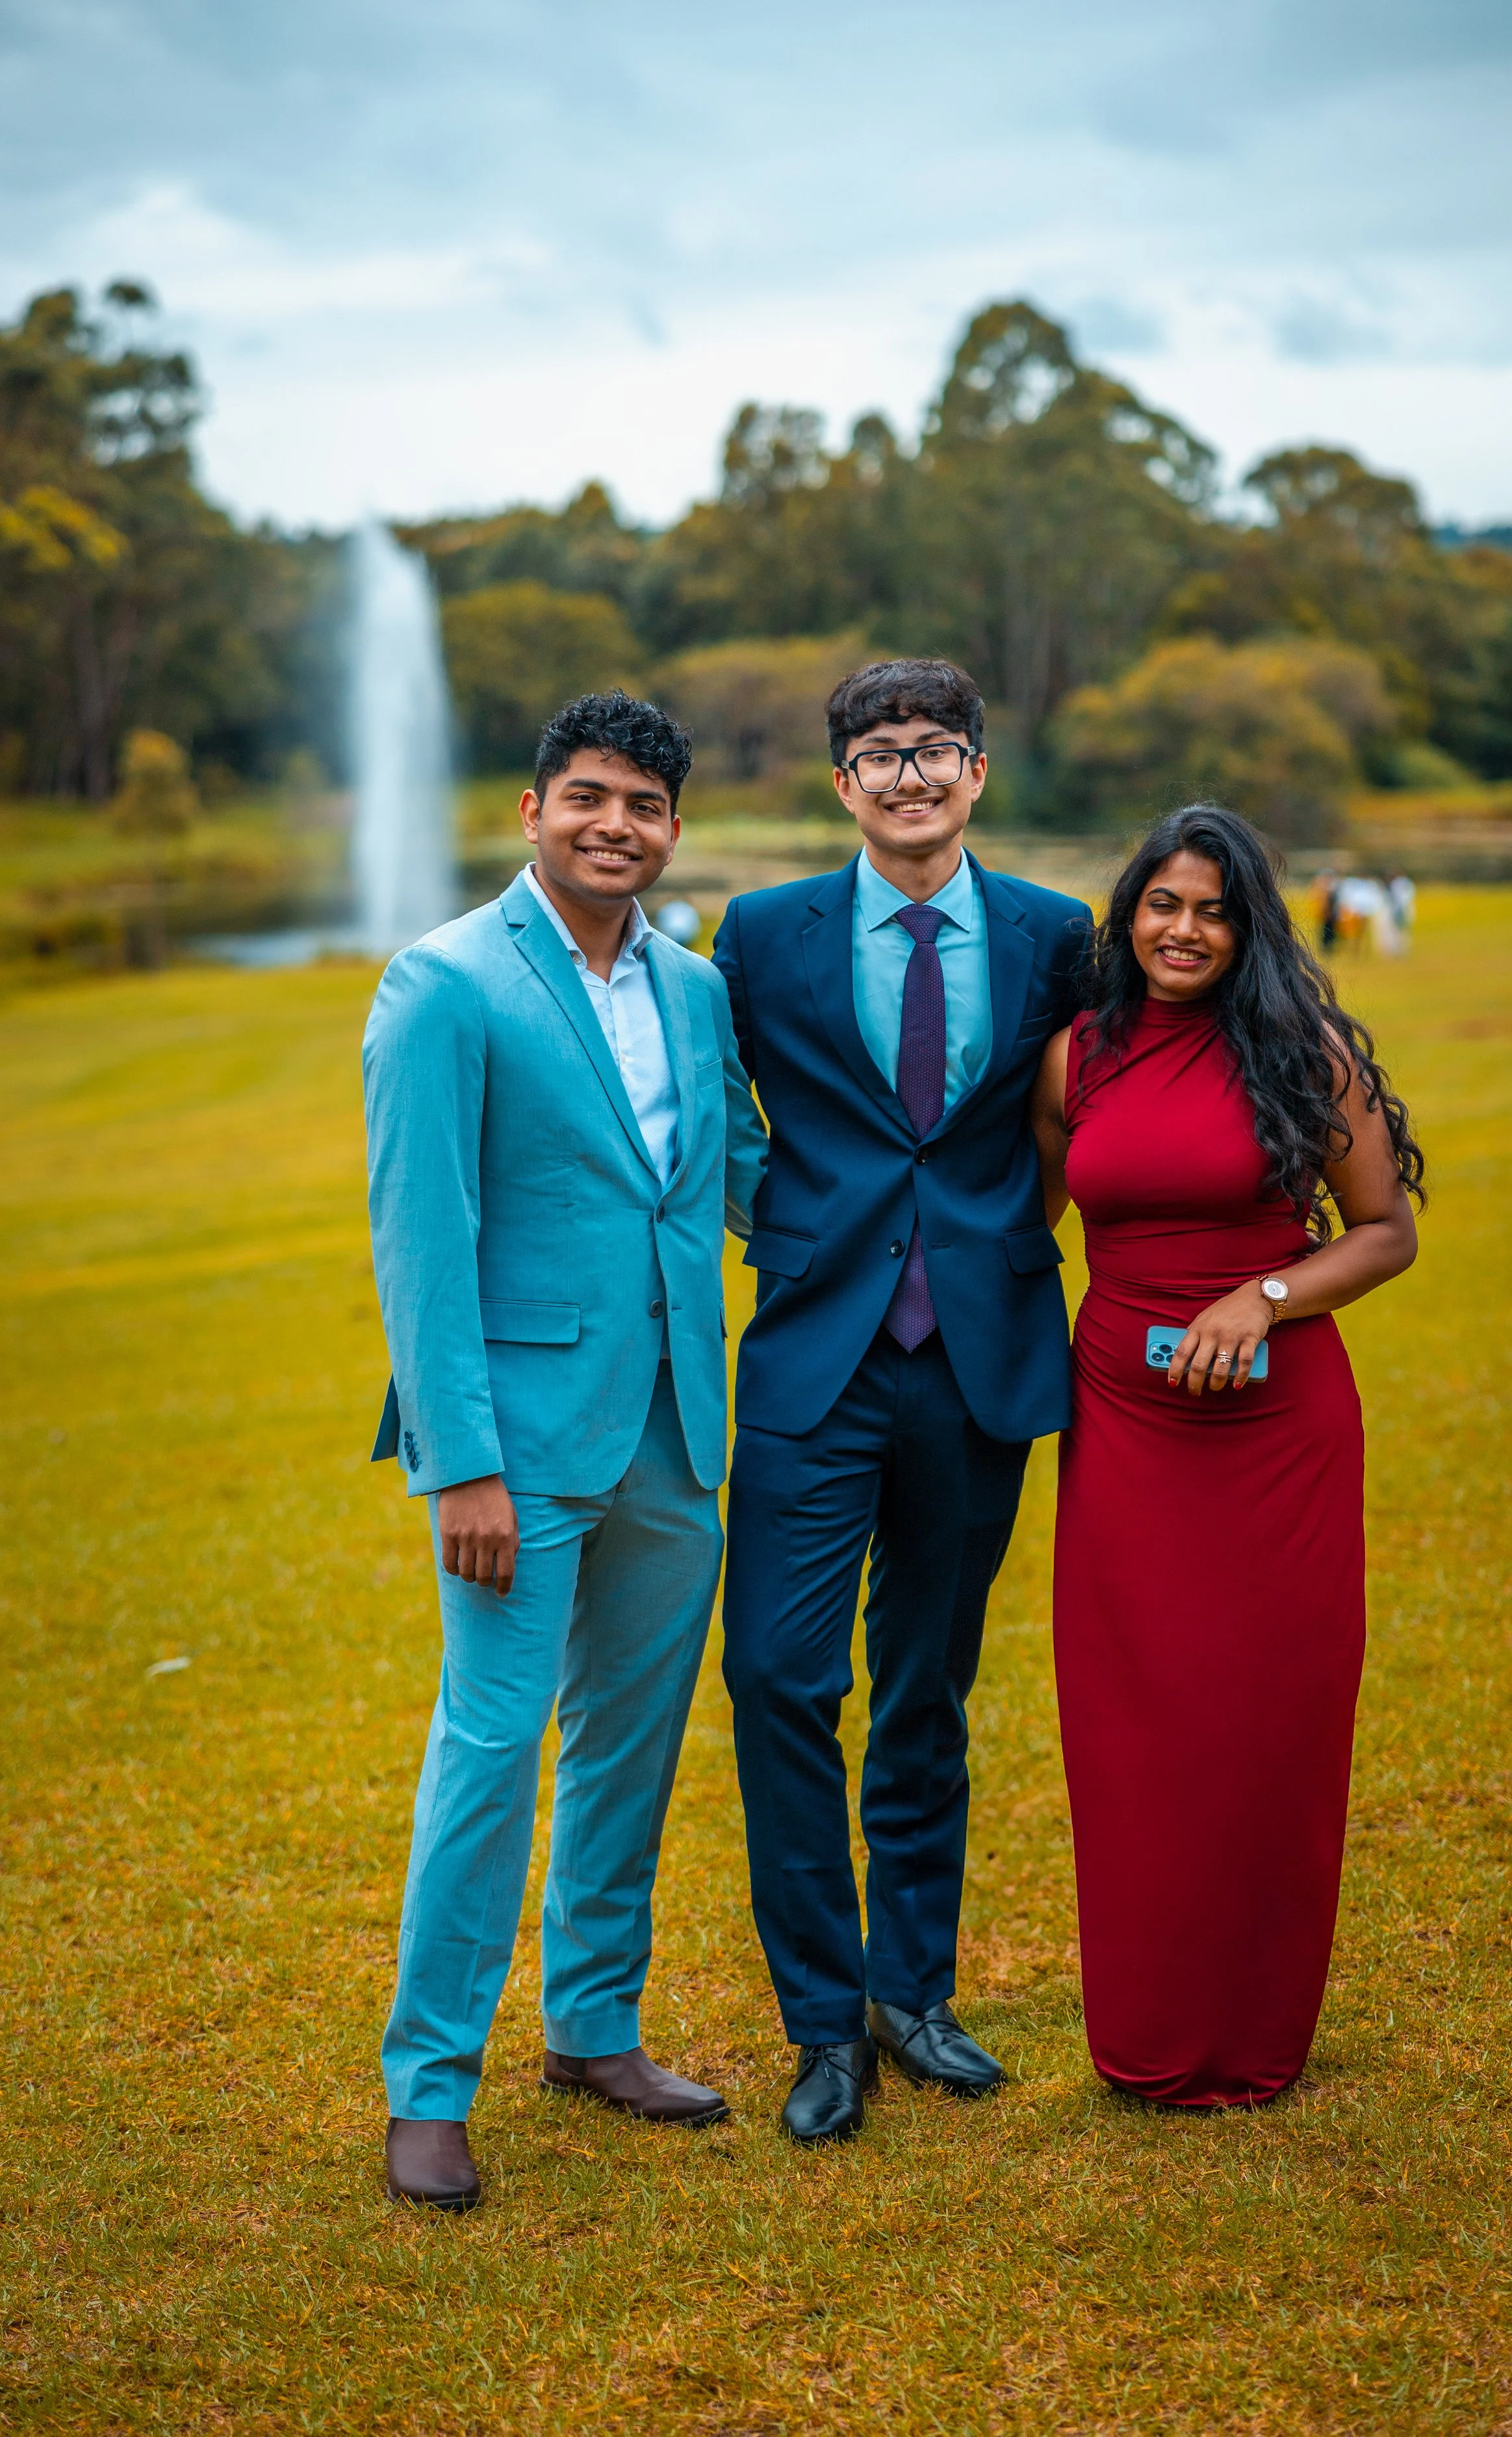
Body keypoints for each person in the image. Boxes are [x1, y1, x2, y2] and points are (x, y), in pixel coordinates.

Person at [363, 691, 767, 2209]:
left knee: (631, 1742)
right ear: (533, 809)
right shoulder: (444, 984)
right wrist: (458, 1462)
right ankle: (427, 2087)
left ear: (673, 829)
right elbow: (423, 1238)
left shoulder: (695, 986)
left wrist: (928, 1224)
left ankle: (593, 2028)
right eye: (588, 797)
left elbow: (730, 1173)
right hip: (514, 1451)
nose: (617, 825)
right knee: (489, 1747)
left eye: (645, 805)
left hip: (676, 1424)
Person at [712, 658, 1092, 2144]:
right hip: (813, 1360)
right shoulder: (760, 934)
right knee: (776, 1680)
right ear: (840, 784)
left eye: (937, 749)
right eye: (879, 753)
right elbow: (700, 1101)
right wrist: (780, 1217)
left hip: (975, 1362)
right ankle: (821, 2024)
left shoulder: (1056, 936)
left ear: (978, 775)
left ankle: (909, 1991)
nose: (909, 775)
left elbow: (1083, 1110)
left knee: (925, 1689)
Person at [1030, 803, 1424, 2108]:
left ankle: (1255, 2035)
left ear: (1246, 926)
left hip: (1273, 1437)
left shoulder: (1298, 1053)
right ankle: (1143, 2032)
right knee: (1133, 1726)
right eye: (1160, 904)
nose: (1180, 930)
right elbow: (1023, 1229)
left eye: (1209, 909)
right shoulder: (1073, 1058)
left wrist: (1262, 1296)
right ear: (1128, 911)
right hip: (1124, 1435)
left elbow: (1380, 1233)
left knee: (1266, 1726)